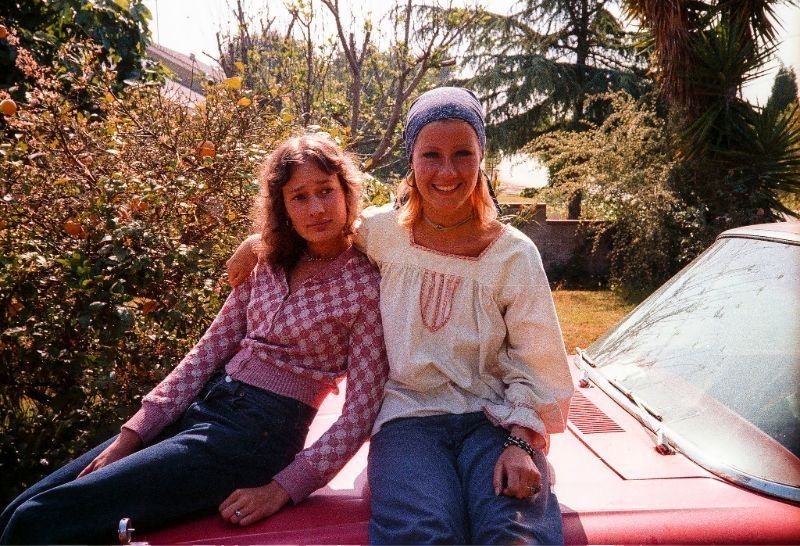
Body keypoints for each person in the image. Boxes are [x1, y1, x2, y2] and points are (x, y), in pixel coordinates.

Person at [0, 134, 389, 545]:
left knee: (36, 521)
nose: (316, 209)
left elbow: (359, 412)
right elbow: (205, 354)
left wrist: (283, 488)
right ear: (283, 208)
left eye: (327, 191)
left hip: (259, 437)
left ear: (348, 192)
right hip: (206, 406)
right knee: (17, 509)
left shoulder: (365, 286)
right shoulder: (268, 262)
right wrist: (132, 435)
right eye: (300, 197)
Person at [226, 87, 574, 544]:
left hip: (494, 421)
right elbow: (321, 230)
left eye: (462, 154)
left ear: (481, 158)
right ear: (411, 159)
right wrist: (257, 243)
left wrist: (523, 442)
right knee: (420, 532)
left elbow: (539, 361)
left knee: (514, 530)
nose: (446, 171)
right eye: (431, 154)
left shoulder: (513, 255)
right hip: (407, 419)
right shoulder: (382, 234)